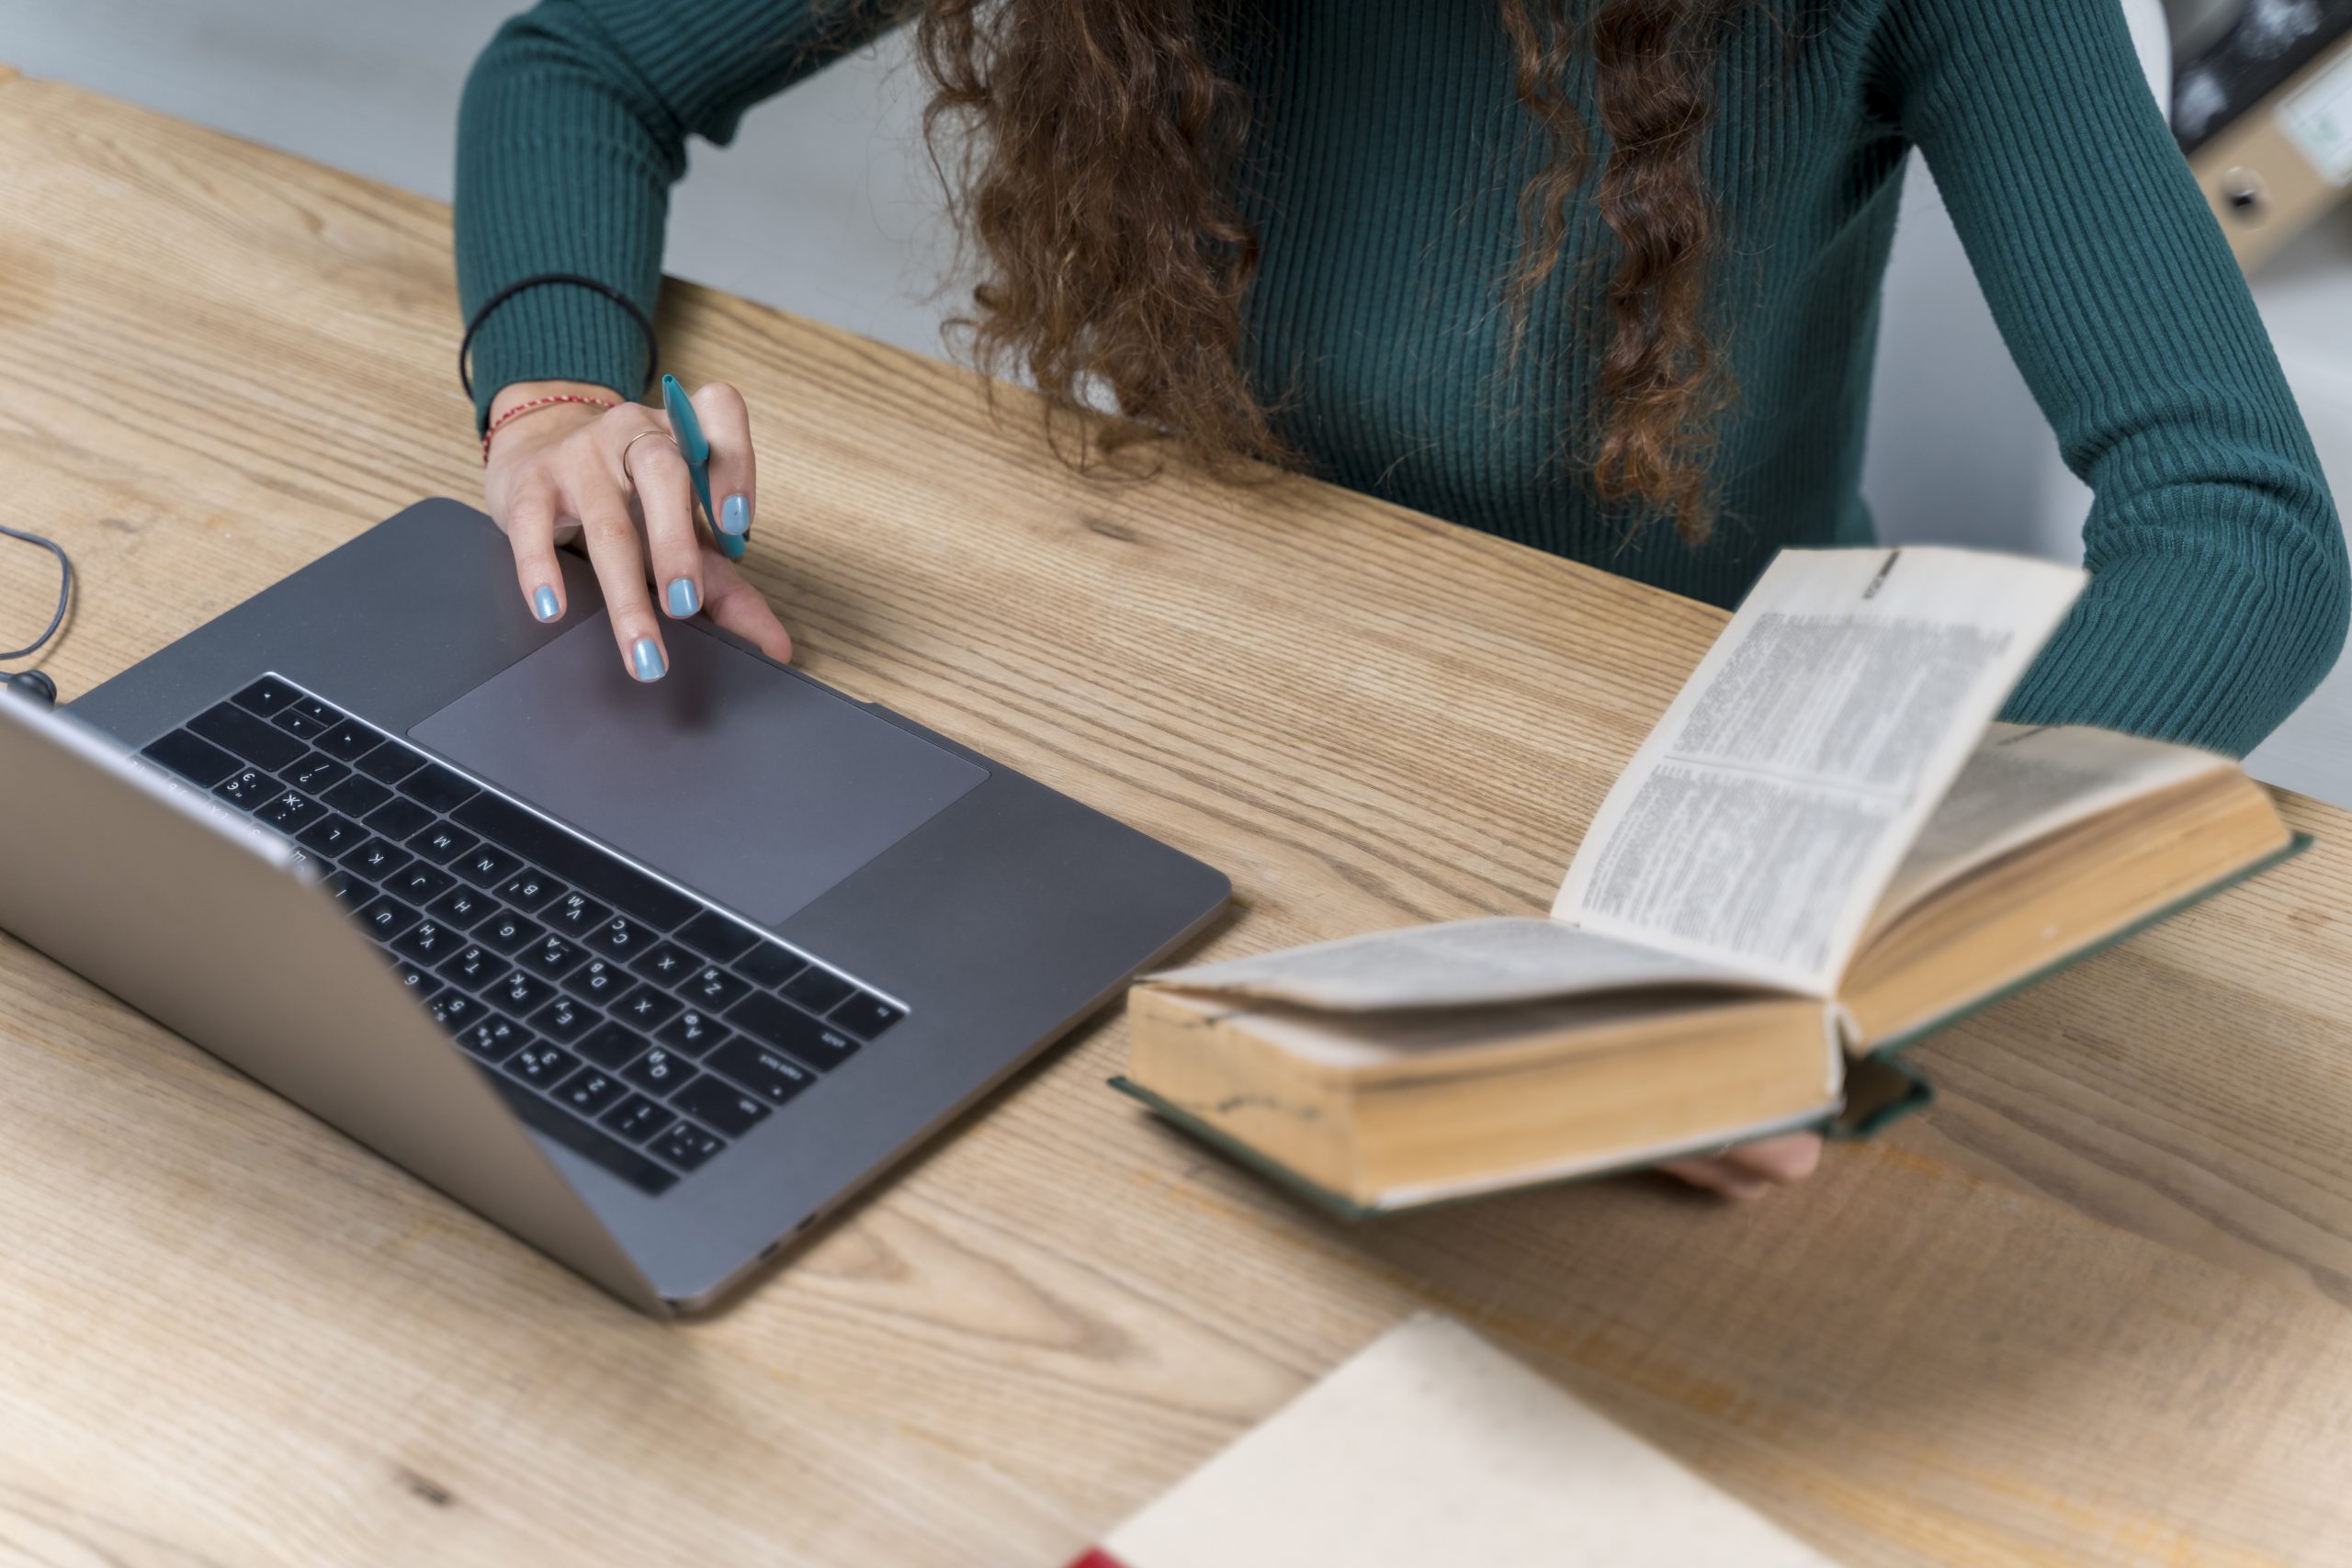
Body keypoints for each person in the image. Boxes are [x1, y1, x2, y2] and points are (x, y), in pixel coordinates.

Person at [454, 0, 2348, 1198]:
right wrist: (557, 392)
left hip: (1648, 807)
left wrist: (1831, 928)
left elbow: (2236, 520)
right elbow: (580, 63)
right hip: (1182, 733)